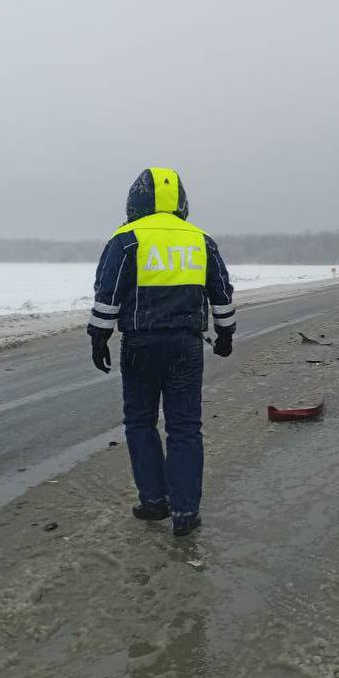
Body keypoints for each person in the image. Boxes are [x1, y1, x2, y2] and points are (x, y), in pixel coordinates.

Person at [87, 167, 236, 537]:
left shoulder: (126, 238)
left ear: (136, 199)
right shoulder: (200, 240)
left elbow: (108, 293)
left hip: (140, 344)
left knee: (140, 422)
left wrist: (98, 337)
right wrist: (225, 333)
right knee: (185, 428)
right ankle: (185, 512)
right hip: (186, 345)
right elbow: (221, 292)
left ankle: (154, 502)